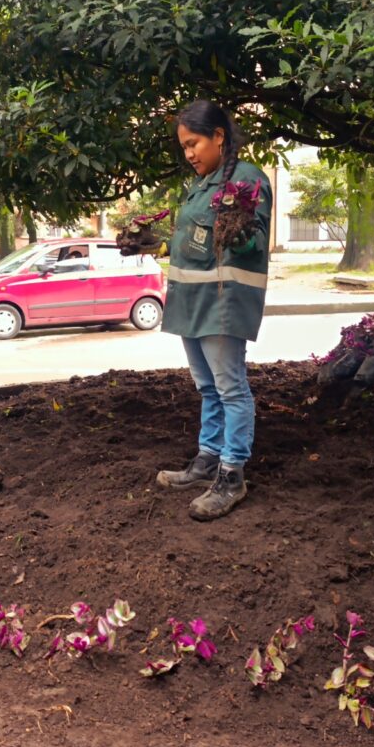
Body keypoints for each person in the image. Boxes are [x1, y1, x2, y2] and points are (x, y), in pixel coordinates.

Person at [150, 101, 272, 521]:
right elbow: (194, 242)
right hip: (191, 300)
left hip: (221, 303)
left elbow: (253, 242)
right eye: (184, 146)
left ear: (219, 136)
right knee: (207, 387)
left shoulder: (247, 179)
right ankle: (207, 459)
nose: (188, 153)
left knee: (230, 388)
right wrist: (156, 242)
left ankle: (232, 475)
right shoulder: (202, 185)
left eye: (194, 143)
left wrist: (239, 229)